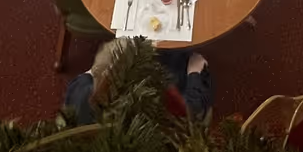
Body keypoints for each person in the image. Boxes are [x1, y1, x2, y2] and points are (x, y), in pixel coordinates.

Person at [63, 38, 211, 124]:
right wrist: (194, 73)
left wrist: (100, 69)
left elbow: (87, 76)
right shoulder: (155, 104)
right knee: (191, 64)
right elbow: (191, 109)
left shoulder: (81, 93)